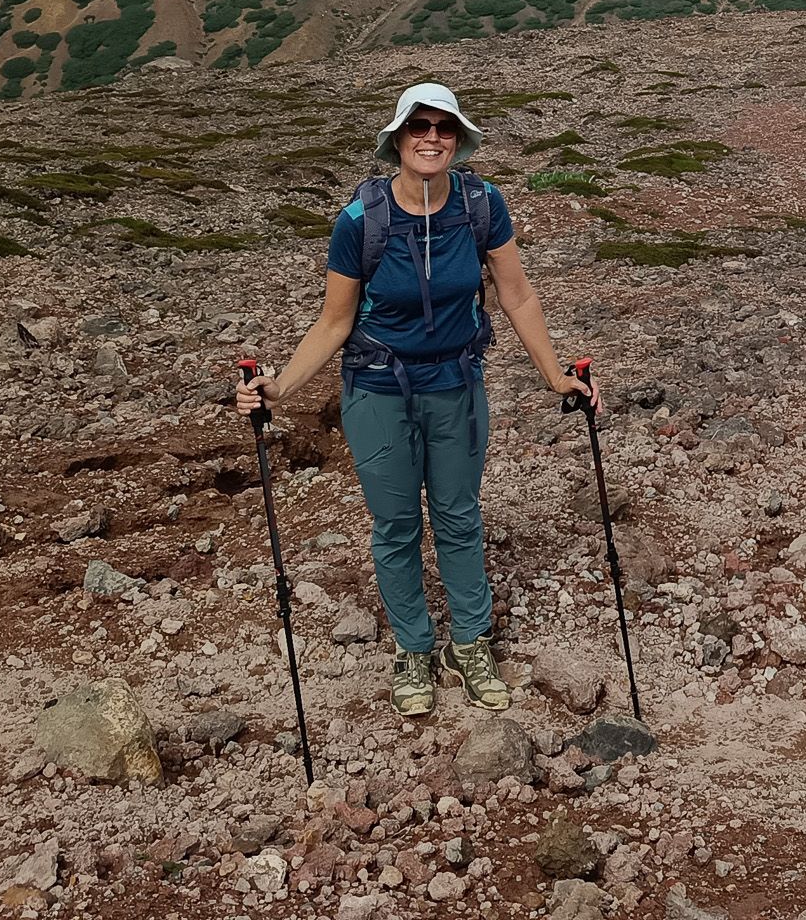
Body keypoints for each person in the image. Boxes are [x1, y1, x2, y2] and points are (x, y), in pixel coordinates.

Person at [234, 83, 595, 716]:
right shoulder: (361, 221)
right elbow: (334, 322)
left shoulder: (483, 205)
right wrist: (279, 388)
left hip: (455, 383)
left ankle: (471, 641)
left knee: (458, 515)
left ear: (458, 138)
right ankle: (412, 647)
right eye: (418, 127)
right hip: (377, 389)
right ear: (397, 140)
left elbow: (517, 296)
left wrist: (557, 376)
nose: (432, 138)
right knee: (396, 525)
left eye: (444, 127)